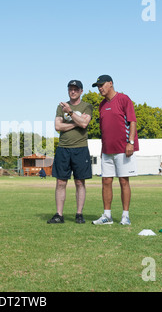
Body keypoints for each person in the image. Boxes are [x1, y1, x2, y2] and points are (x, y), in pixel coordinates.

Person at [91, 75, 138, 225]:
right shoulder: (102, 105)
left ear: (110, 84)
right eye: (98, 86)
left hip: (123, 149)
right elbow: (104, 129)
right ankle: (107, 216)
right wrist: (102, 148)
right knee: (106, 181)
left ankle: (125, 216)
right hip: (106, 150)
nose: (100, 88)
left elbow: (132, 122)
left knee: (124, 181)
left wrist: (130, 142)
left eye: (101, 85)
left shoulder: (124, 99)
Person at [47, 80, 93, 224]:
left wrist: (71, 113)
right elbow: (57, 126)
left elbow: (85, 123)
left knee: (80, 182)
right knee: (61, 182)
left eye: (76, 89)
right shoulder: (61, 107)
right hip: (63, 148)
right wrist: (76, 122)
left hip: (80, 148)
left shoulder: (87, 106)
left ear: (81, 91)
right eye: (70, 89)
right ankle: (59, 215)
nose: (73, 91)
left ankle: (79, 214)